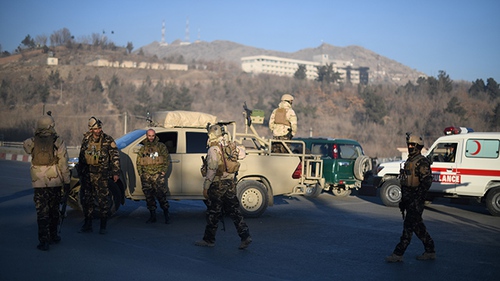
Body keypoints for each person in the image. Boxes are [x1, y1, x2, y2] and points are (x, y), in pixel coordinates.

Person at [195, 124, 252, 249]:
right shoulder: (230, 146)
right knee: (234, 211)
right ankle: (245, 236)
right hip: (230, 183)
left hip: (217, 184)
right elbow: (243, 154)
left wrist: (206, 186)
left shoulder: (213, 149)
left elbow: (212, 169)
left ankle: (209, 240)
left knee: (213, 213)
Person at [23, 113, 71, 251]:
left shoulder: (32, 141)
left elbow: (25, 147)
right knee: (54, 210)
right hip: (54, 182)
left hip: (38, 183)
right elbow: (63, 164)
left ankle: (43, 241)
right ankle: (54, 236)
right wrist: (66, 181)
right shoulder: (58, 141)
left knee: (41, 212)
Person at [386, 133, 436, 262]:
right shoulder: (410, 161)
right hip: (409, 199)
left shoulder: (422, 162)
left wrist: (417, 199)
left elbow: (426, 182)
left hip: (415, 200)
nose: (410, 147)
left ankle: (398, 253)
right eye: (409, 145)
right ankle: (430, 250)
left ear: (418, 146)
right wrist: (404, 200)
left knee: (408, 228)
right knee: (418, 227)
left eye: (413, 145)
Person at [77, 116, 120, 234]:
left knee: (103, 201)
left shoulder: (107, 140)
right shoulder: (86, 139)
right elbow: (82, 155)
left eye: (99, 128)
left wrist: (116, 172)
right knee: (87, 200)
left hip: (102, 175)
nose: (98, 130)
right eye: (96, 129)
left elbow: (115, 156)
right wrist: (80, 170)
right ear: (91, 130)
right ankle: (88, 224)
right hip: (88, 174)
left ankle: (103, 226)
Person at [136, 129, 170, 224]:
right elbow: (139, 161)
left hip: (157, 175)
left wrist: (163, 171)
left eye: (153, 135)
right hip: (146, 175)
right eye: (149, 136)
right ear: (147, 136)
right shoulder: (143, 148)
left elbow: (166, 159)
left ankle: (166, 215)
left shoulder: (161, 146)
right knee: (149, 197)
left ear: (155, 136)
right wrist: (141, 173)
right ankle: (152, 216)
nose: (151, 137)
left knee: (161, 196)